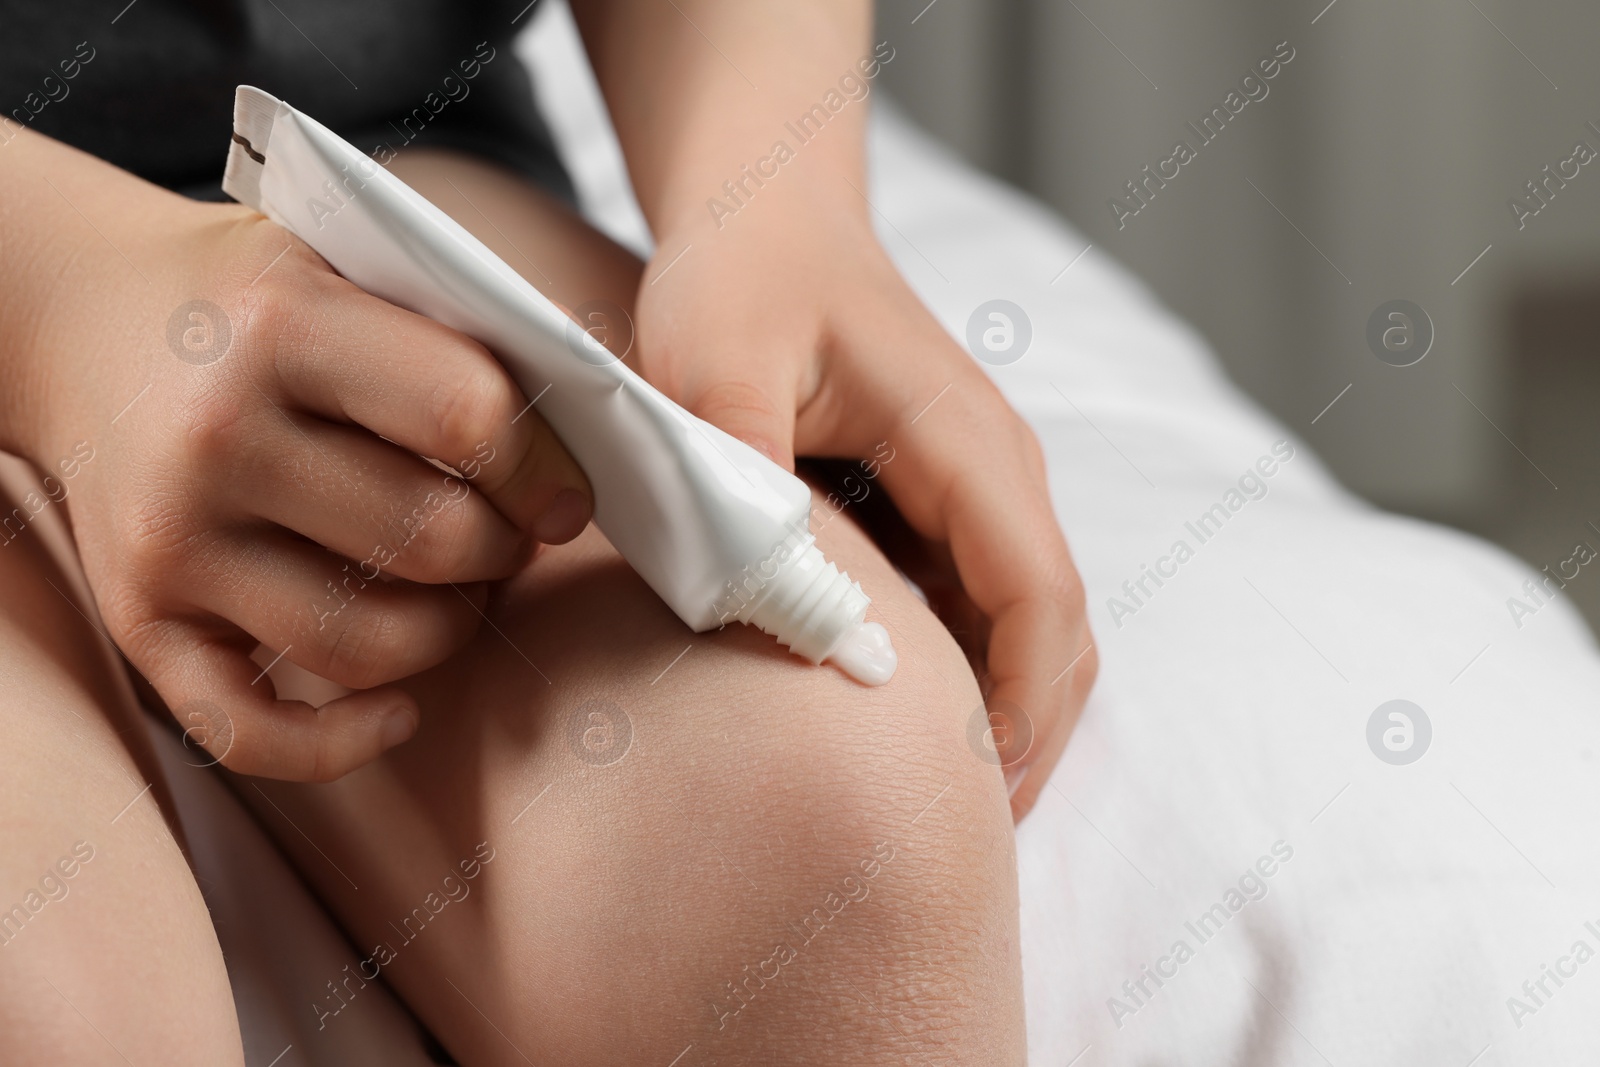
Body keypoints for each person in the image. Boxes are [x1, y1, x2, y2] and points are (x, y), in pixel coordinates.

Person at [0, 1, 1094, 1061]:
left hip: (363, 174)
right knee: (56, 1016)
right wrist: (49, 296)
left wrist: (773, 188)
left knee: (838, 830)